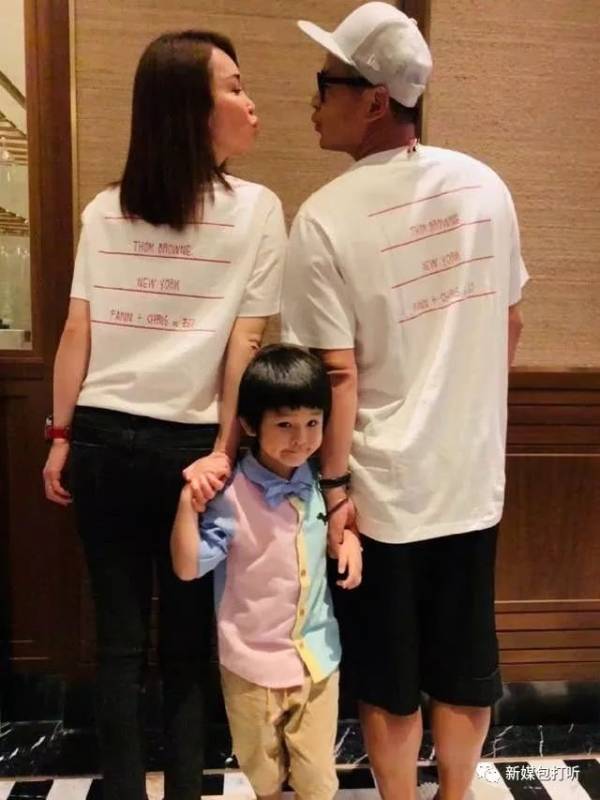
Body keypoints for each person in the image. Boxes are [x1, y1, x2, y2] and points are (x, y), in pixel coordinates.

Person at [282, 4, 528, 800]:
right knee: (463, 663)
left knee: (389, 677)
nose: (314, 100)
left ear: (375, 100)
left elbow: (335, 374)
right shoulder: (485, 187)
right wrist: (469, 410)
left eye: (326, 83)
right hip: (470, 480)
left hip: (378, 493)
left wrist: (333, 490)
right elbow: (509, 322)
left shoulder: (325, 217)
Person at [42, 30, 286, 800]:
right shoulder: (257, 211)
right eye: (235, 87)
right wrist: (224, 450)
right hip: (191, 457)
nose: (252, 103)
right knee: (186, 646)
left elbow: (76, 331)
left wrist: (60, 439)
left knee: (118, 648)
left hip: (101, 442)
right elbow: (244, 346)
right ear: (191, 109)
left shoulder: (104, 210)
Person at [171, 344, 362, 800]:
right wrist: (186, 504)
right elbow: (188, 567)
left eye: (313, 423)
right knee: (263, 774)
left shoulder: (319, 483)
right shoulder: (231, 496)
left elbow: (337, 527)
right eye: (285, 425)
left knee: (317, 779)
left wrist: (350, 539)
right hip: (249, 666)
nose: (302, 439)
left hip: (316, 661)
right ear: (250, 425)